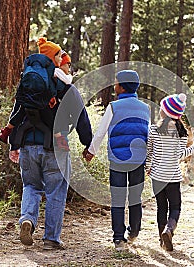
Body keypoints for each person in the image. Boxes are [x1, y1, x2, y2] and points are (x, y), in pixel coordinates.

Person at [7, 38, 93, 250]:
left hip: (28, 144)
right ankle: (51, 239)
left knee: (31, 186)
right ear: (55, 60)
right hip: (57, 147)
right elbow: (82, 117)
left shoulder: (27, 83)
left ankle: (27, 219)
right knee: (56, 191)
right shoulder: (65, 86)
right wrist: (88, 143)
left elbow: (15, 115)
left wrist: (13, 143)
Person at [83, 70, 150, 251]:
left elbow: (100, 133)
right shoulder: (145, 108)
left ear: (121, 87)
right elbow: (148, 136)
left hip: (118, 160)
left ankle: (119, 239)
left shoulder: (113, 107)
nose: (114, 86)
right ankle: (134, 231)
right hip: (138, 160)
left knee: (118, 199)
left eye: (116, 83)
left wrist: (91, 151)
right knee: (135, 197)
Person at [145, 93, 194, 251]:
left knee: (161, 207)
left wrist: (147, 167)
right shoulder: (182, 133)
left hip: (157, 175)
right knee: (175, 207)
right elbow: (180, 155)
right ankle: (169, 230)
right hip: (173, 176)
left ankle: (162, 240)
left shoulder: (154, 130)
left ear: (165, 112)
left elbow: (149, 152)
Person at [0, 39, 72, 144]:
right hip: (42, 103)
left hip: (28, 101)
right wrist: (52, 98)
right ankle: (60, 140)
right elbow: (60, 84)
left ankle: (6, 131)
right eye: (59, 56)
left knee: (19, 114)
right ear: (52, 57)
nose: (61, 60)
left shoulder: (33, 69)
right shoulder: (53, 71)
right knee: (51, 120)